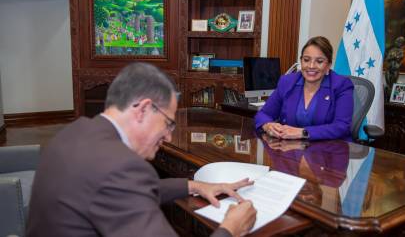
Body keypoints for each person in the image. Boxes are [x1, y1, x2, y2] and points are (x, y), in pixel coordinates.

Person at [26, 63, 256, 237]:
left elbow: (122, 190)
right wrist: (231, 229)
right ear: (144, 109)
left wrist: (195, 185)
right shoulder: (121, 166)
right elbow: (122, 182)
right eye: (168, 123)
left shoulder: (76, 131)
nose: (168, 136)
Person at [255, 36, 354, 141]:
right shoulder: (287, 82)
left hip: (329, 151)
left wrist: (303, 132)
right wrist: (268, 125)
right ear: (301, 61)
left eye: (319, 61)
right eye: (306, 60)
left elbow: (342, 127)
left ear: (328, 65)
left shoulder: (341, 85)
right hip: (290, 149)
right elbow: (263, 114)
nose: (311, 66)